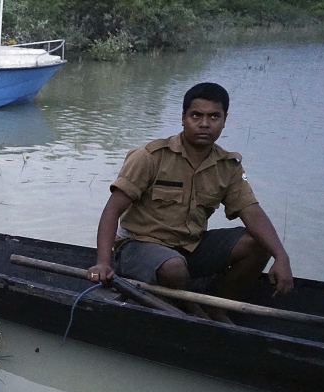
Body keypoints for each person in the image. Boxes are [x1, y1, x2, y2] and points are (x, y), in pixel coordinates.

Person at [86, 82, 293, 322]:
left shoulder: (228, 166)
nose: (205, 124)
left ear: (225, 120)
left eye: (214, 116)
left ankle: (217, 307)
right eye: (196, 115)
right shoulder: (151, 156)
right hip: (139, 247)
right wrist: (102, 263)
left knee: (258, 244)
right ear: (183, 118)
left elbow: (252, 211)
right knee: (173, 268)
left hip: (189, 247)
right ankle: (194, 311)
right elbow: (112, 210)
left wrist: (281, 256)